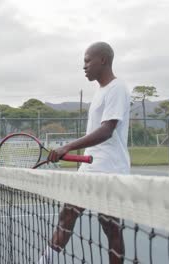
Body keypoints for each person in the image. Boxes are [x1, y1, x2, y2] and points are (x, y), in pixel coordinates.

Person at [40, 42, 130, 264]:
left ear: (103, 60)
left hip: (109, 169)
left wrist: (68, 146)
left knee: (110, 227)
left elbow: (107, 130)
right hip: (91, 166)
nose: (84, 66)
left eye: (88, 60)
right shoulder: (100, 91)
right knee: (68, 215)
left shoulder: (117, 88)